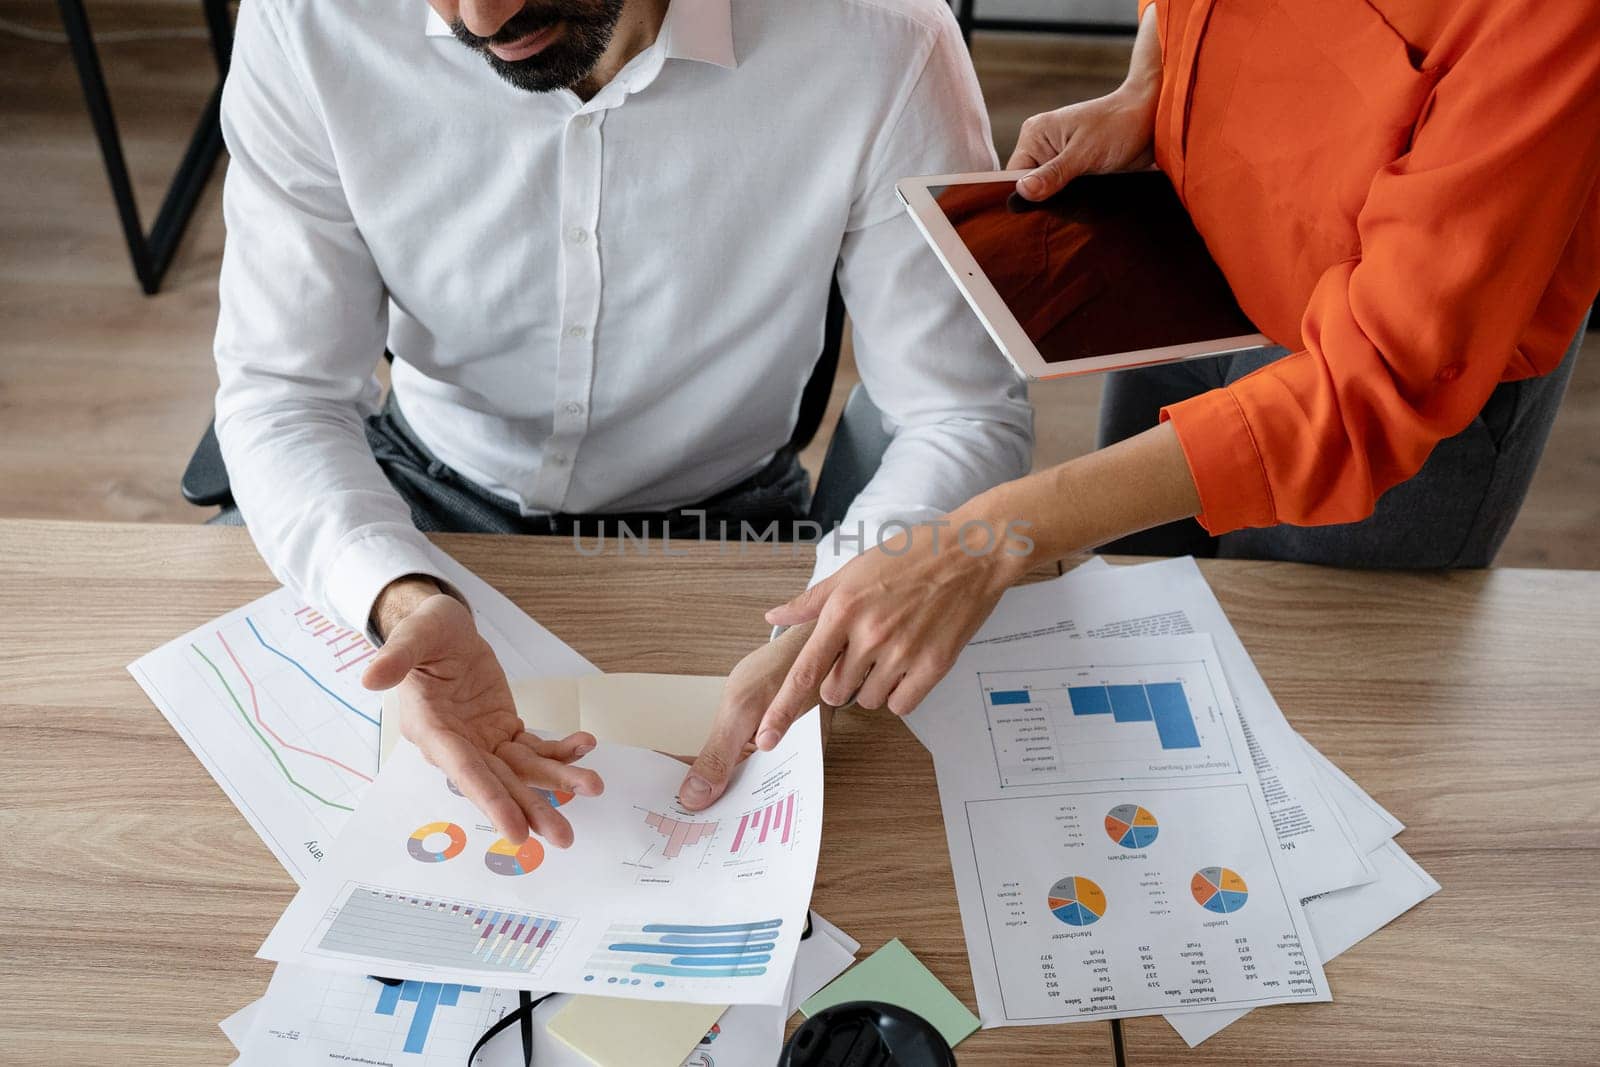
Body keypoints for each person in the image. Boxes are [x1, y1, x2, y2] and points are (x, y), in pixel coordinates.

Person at [680, 0, 1600, 784]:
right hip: (1185, 262)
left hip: (1389, 408)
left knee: (1308, 743)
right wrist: (1153, 89)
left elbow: (1376, 387)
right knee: (1141, 674)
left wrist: (988, 538)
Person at [213, 0, 1032, 847]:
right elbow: (282, 389)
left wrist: (847, 601)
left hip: (730, 531)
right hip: (417, 500)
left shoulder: (884, 43)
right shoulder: (310, 23)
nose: (482, 17)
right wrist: (390, 592)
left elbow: (960, 409)